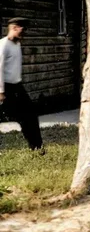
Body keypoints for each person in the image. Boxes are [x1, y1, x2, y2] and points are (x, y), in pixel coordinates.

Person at [0, 17, 44, 152]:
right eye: (22, 30)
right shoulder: (3, 45)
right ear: (14, 28)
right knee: (20, 116)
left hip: (17, 86)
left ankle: (37, 147)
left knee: (30, 115)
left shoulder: (17, 44)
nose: (23, 34)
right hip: (5, 87)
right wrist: (1, 91)